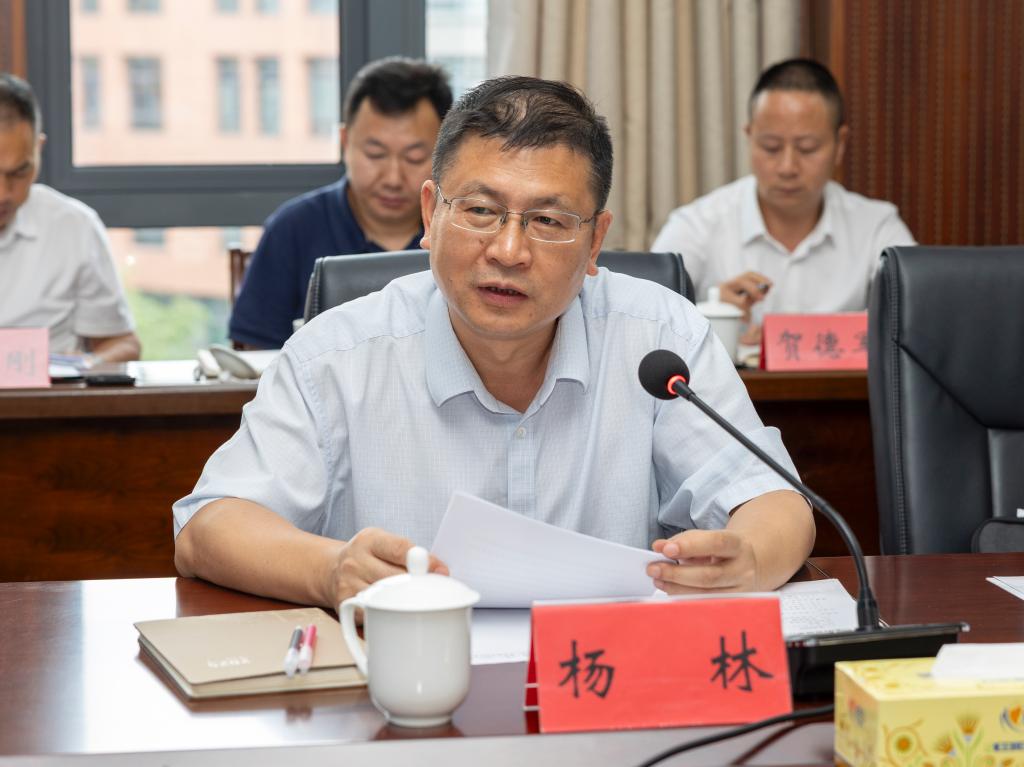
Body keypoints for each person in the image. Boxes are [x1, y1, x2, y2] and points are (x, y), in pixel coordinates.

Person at [174, 76, 814, 609]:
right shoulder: (335, 357)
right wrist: (331, 568)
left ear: (595, 241)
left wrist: (750, 558)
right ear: (431, 214)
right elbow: (209, 529)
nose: (509, 251)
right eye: (480, 211)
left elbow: (778, 504)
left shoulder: (660, 338)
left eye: (548, 220)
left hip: (607, 687)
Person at [652, 58, 915, 343]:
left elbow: (916, 317)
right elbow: (646, 320)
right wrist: (707, 317)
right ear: (750, 137)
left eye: (807, 148)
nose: (787, 167)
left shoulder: (877, 227)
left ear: (840, 144)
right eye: (771, 147)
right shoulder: (696, 225)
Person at [229, 57, 453, 349]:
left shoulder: (462, 230)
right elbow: (256, 352)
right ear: (345, 142)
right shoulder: (293, 228)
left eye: (414, 157)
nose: (393, 178)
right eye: (375, 154)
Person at [0, 73, 140, 362]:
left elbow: (122, 343)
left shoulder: (73, 226)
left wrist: (80, 367)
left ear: (38, 150)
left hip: (51, 389)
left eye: (19, 172)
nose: (3, 194)